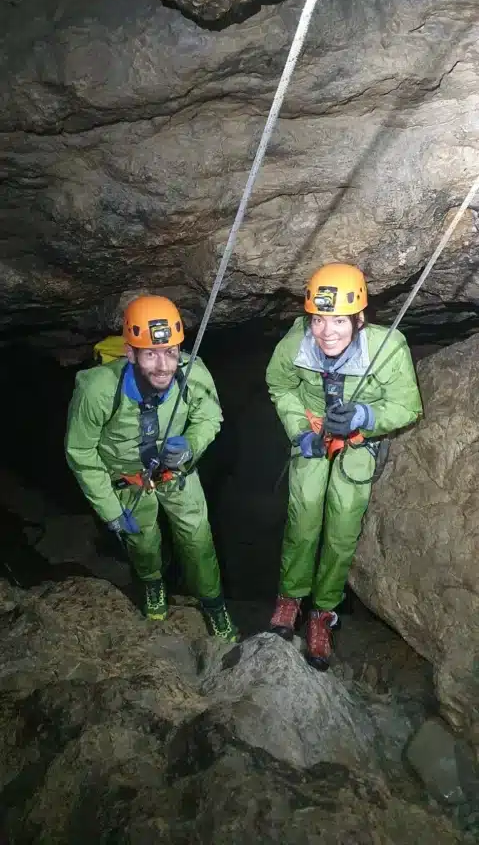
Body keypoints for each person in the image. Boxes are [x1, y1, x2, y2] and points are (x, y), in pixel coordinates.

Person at [265, 263, 422, 669]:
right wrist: (299, 430)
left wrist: (365, 418)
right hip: (314, 435)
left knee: (343, 525)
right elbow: (280, 384)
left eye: (338, 320)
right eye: (319, 320)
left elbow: (407, 404)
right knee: (304, 514)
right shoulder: (295, 344)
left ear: (359, 318)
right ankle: (290, 598)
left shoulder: (387, 347)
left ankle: (322, 614)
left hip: (357, 441)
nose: (327, 331)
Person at [65, 294, 237, 641]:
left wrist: (189, 447)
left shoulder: (193, 374)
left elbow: (209, 416)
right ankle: (153, 584)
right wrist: (110, 510)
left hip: (177, 476)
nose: (163, 366)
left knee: (198, 539)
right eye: (150, 354)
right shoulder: (98, 389)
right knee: (143, 542)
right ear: (130, 353)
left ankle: (213, 604)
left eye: (170, 352)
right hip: (128, 482)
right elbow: (80, 450)